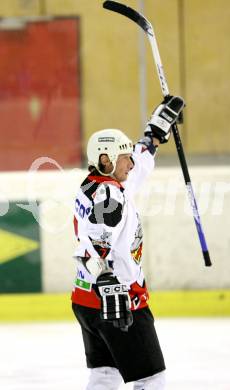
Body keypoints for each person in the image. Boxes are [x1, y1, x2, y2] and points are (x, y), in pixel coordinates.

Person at [71, 96, 185, 389]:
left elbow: (138, 166)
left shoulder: (99, 185)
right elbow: (92, 247)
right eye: (125, 157)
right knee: (151, 378)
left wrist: (154, 134)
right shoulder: (110, 198)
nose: (131, 162)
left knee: (105, 376)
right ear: (106, 160)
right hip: (118, 299)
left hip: (87, 299)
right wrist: (108, 281)